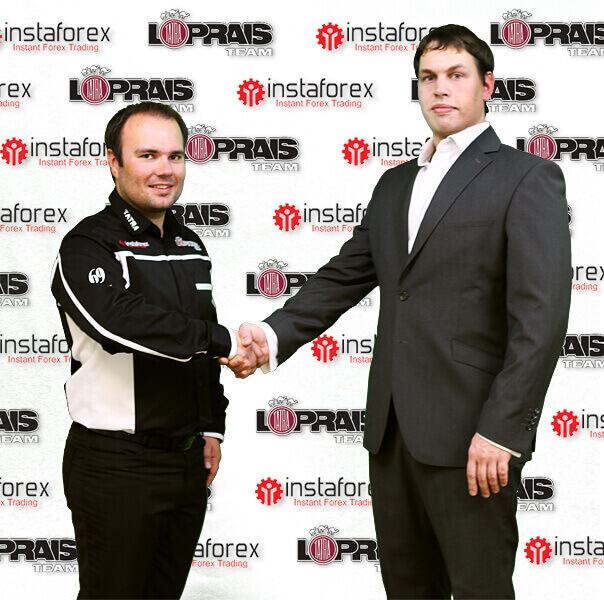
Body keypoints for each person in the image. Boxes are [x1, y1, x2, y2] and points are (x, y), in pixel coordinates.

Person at [225, 24, 571, 599]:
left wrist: (502, 430)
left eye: (456, 75)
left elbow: (541, 319)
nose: (441, 89)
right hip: (390, 435)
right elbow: (344, 275)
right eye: (428, 78)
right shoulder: (394, 184)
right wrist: (271, 334)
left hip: (473, 439)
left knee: (482, 591)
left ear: (488, 85)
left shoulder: (526, 177)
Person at [51, 102, 255, 599]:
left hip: (185, 462)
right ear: (113, 161)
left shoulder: (190, 243)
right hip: (115, 464)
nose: (165, 169)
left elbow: (199, 343)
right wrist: (224, 339)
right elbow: (118, 324)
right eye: (147, 155)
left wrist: (211, 427)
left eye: (174, 156)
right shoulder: (87, 245)